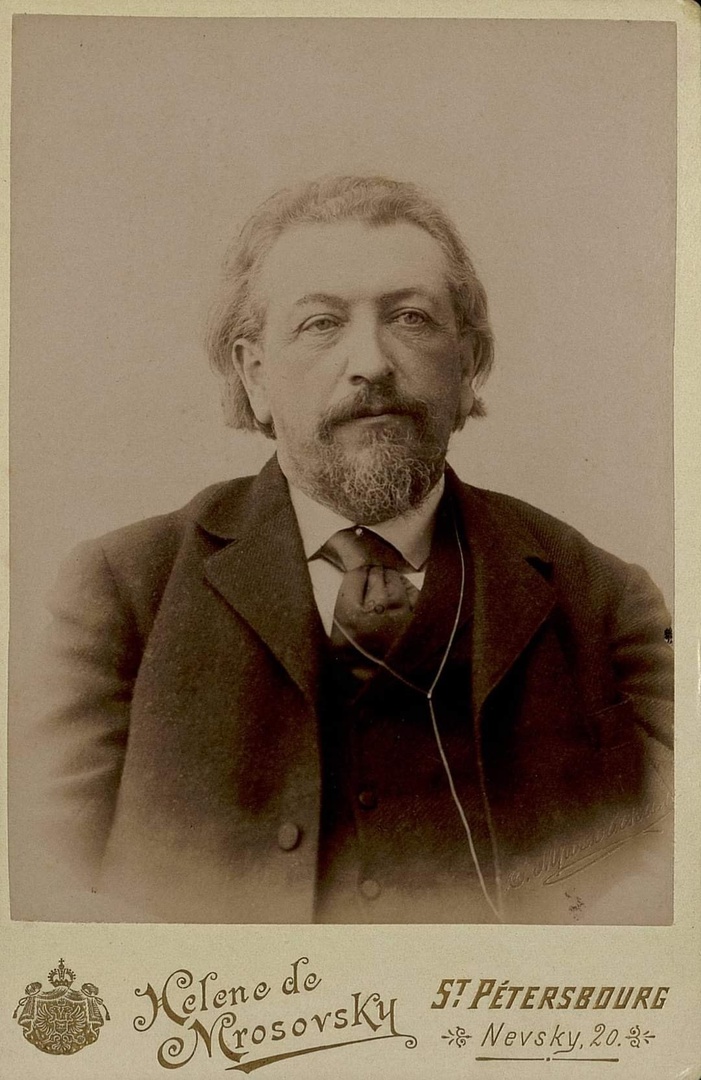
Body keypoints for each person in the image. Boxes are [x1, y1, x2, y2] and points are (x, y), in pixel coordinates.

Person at [15, 176, 673, 925]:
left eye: (411, 318)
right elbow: (43, 883)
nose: (373, 363)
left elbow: (674, 879)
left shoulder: (606, 601)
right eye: (321, 323)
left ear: (468, 366)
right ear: (255, 375)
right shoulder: (121, 591)